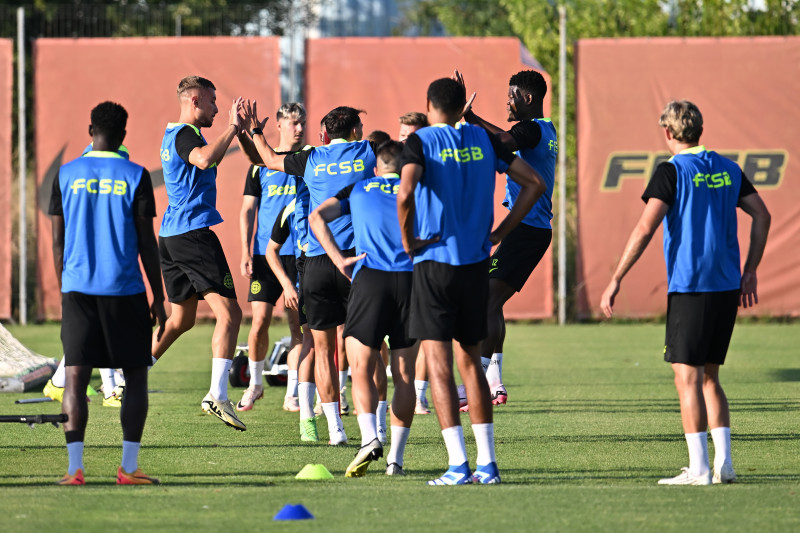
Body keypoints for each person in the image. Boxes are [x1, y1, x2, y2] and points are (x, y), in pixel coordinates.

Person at [600, 100, 770, 485]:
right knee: (710, 377)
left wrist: (616, 278)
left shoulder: (672, 171)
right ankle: (724, 464)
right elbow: (763, 214)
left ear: (668, 133)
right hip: (726, 286)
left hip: (691, 287)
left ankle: (699, 469)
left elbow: (645, 228)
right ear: (699, 129)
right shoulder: (728, 168)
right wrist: (751, 270)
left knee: (686, 379)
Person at [398, 78, 545, 485]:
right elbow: (535, 184)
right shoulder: (485, 140)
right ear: (463, 105)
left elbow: (405, 192)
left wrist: (409, 240)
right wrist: (502, 231)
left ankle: (458, 466)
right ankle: (488, 465)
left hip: (435, 263)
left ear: (430, 106)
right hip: (476, 264)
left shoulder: (422, 141)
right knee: (472, 367)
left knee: (440, 368)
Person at [241, 102, 377, 445]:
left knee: (320, 348)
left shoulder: (312, 159)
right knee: (364, 348)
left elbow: (269, 160)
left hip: (314, 264)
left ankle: (334, 431)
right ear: (357, 131)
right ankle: (373, 432)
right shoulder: (368, 151)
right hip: (357, 260)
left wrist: (256, 130)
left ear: (323, 134)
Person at [49, 101, 166, 485]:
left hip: (77, 289)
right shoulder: (135, 174)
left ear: (90, 131)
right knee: (135, 377)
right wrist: (158, 296)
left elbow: (57, 240)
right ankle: (128, 469)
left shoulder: (66, 174)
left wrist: (65, 284)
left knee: (76, 377)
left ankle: (74, 469)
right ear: (123, 137)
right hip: (125, 289)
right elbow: (147, 242)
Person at [311, 140, 432, 477]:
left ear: (377, 167)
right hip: (411, 281)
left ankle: (368, 439)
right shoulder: (419, 187)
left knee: (360, 363)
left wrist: (339, 260)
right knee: (405, 374)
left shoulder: (360, 188)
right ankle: (396, 458)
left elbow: (317, 217)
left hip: (371, 279)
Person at [456, 69, 557, 407]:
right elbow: (505, 138)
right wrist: (472, 117)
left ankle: (480, 386)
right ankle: (493, 380)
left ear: (527, 98)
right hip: (529, 229)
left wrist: (463, 125)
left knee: (484, 299)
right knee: (491, 302)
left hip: (526, 231)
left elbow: (502, 143)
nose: (507, 101)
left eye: (511, 95)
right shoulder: (544, 128)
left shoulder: (529, 130)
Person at [152, 76, 246, 431]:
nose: (217, 109)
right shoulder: (187, 135)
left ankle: (131, 377)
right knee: (230, 314)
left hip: (172, 236)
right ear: (194, 100)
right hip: (192, 235)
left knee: (181, 320)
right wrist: (234, 127)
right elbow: (204, 160)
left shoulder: (171, 133)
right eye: (212, 102)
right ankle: (217, 395)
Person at [237, 102, 306, 412]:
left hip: (300, 255)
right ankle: (254, 385)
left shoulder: (308, 160)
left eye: (302, 122)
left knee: (297, 326)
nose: (299, 128)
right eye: (292, 122)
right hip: (266, 256)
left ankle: (292, 393)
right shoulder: (259, 165)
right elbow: (247, 210)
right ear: (278, 125)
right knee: (260, 321)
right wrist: (244, 251)